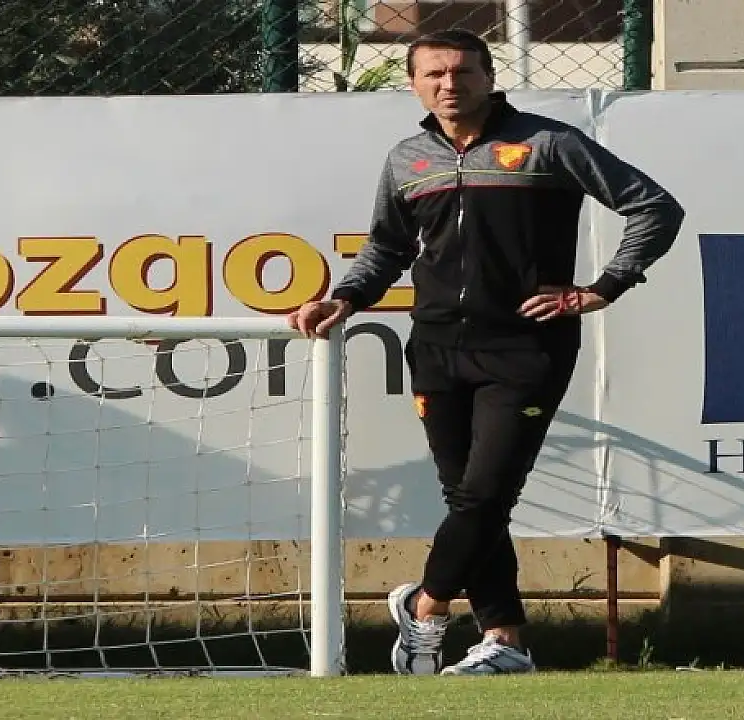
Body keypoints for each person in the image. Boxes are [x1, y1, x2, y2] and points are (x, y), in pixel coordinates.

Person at [287, 29, 684, 676]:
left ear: (489, 77)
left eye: (463, 72)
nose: (450, 84)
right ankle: (506, 641)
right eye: (434, 74)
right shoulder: (408, 158)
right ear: (415, 84)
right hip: (436, 347)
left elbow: (654, 207)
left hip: (526, 348)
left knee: (486, 496)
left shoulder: (548, 143)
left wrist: (603, 287)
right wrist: (347, 298)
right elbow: (387, 246)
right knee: (468, 500)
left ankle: (425, 604)